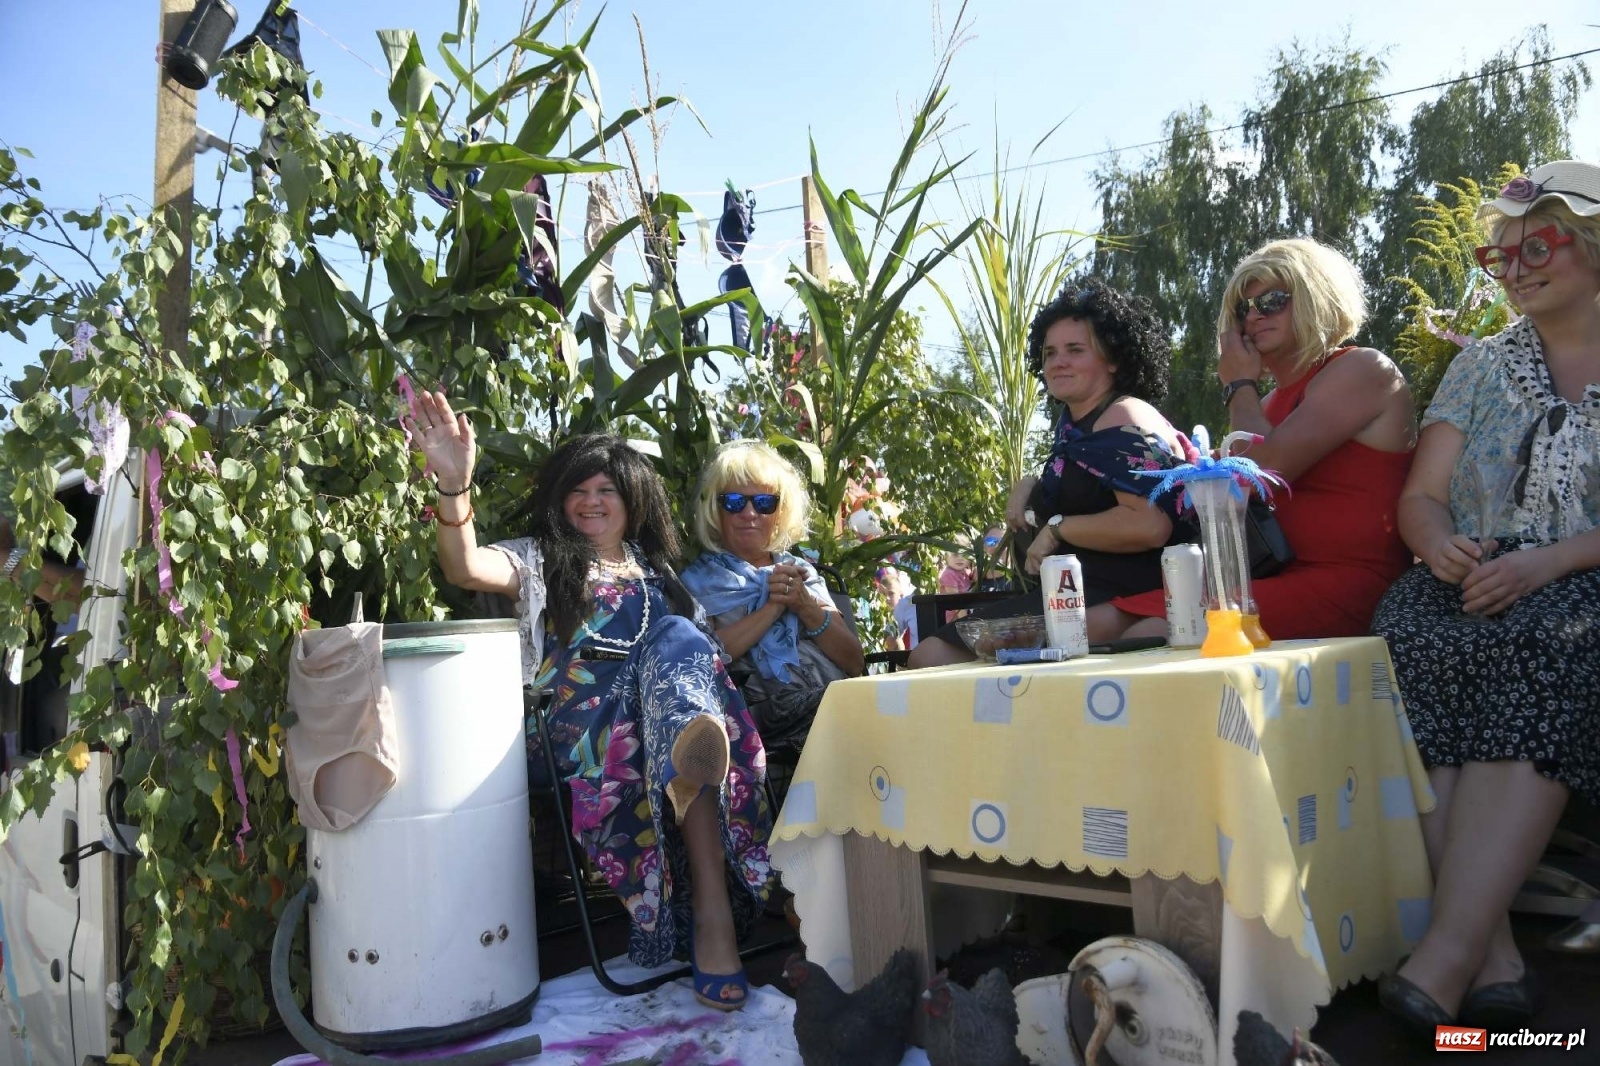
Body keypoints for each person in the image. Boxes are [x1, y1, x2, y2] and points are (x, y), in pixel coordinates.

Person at [409, 392, 771, 1011]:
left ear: (633, 500)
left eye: (607, 489)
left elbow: (715, 651)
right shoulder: (541, 560)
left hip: (660, 721)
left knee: (683, 643)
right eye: (578, 490)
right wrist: (453, 483)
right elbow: (464, 565)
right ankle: (711, 900)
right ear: (560, 501)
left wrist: (780, 607)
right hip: (577, 733)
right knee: (680, 664)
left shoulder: (661, 578)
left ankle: (689, 769)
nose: (591, 500)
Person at [1369, 161, 1600, 1033]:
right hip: (1472, 574)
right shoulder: (1481, 368)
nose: (1513, 270)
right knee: (1410, 637)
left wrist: (1547, 565)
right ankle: (1491, 958)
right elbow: (1422, 498)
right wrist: (1439, 547)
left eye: (1536, 247)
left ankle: (1444, 960)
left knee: (1546, 645)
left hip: (1580, 576)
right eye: (1498, 256)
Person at [1089, 238, 1416, 642]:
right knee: (1090, 625)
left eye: (1273, 301)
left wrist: (1238, 384)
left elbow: (1260, 472)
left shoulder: (1362, 368)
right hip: (1267, 579)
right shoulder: (1263, 405)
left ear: (1316, 297)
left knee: (1158, 631)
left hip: (1352, 585)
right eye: (1243, 309)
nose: (1255, 316)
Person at [908, 277, 1190, 667]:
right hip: (1078, 594)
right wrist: (1029, 485)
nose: (1058, 362)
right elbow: (1091, 487)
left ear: (1113, 359)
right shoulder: (1076, 424)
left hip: (1131, 597)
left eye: (1075, 350)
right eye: (1050, 352)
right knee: (932, 655)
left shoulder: (1121, 415)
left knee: (933, 656)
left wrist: (1057, 529)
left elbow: (1149, 524)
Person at [681, 441, 864, 753]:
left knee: (893, 703)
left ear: (780, 513)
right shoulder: (697, 582)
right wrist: (772, 607)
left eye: (764, 502)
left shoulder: (801, 573)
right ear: (716, 511)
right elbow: (704, 661)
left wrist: (805, 604)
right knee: (859, 710)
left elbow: (854, 661)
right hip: (757, 716)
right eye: (734, 502)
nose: (749, 513)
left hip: (834, 699)